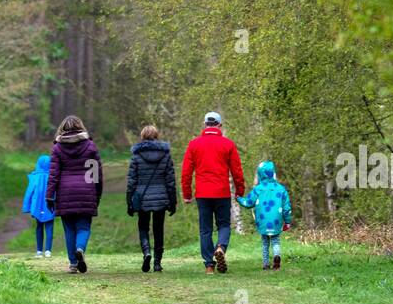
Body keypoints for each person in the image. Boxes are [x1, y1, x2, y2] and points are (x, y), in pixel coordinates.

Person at [181, 111, 246, 274]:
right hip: (222, 192)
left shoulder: (194, 144)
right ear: (220, 126)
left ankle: (209, 265)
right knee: (224, 224)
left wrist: (187, 194)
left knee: (205, 229)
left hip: (202, 193)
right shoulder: (228, 144)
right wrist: (239, 191)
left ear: (205, 124)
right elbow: (237, 170)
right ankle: (221, 248)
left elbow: (186, 172)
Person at [47, 114, 102, 274]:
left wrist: (49, 195)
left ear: (62, 128)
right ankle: (80, 249)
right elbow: (96, 173)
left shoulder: (57, 148)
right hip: (86, 190)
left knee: (69, 229)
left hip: (65, 192)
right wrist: (97, 193)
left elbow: (54, 174)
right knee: (84, 227)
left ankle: (73, 263)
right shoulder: (90, 146)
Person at [126, 125, 177, 273]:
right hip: (161, 197)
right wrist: (172, 201)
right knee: (158, 229)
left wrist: (129, 201)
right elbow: (170, 180)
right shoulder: (165, 155)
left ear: (142, 136)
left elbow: (131, 181)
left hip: (142, 197)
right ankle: (157, 263)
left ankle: (146, 252)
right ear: (156, 136)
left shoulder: (136, 155)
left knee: (143, 226)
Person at [237, 160, 293, 270]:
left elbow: (248, 203)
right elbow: (287, 207)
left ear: (260, 175)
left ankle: (266, 264)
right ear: (273, 173)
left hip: (263, 220)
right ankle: (277, 256)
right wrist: (287, 222)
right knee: (275, 241)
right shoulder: (281, 189)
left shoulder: (258, 189)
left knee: (265, 243)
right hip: (276, 219)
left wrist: (239, 198)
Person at [21, 154, 55, 257]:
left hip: (37, 205)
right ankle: (48, 250)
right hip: (50, 204)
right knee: (49, 226)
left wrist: (27, 206)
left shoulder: (34, 177)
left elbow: (29, 192)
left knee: (39, 226)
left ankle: (39, 251)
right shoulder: (53, 176)